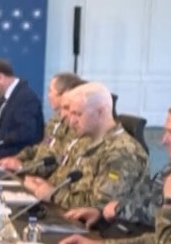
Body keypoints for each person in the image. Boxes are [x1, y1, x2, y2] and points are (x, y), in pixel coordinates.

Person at [66, 100, 171, 231]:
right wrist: (100, 215)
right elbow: (143, 200)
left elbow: (163, 220)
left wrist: (119, 210)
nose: (164, 140)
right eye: (166, 132)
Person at [21, 82, 145, 212]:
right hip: (64, 213)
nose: (71, 121)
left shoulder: (122, 152)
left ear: (101, 112)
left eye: (78, 114)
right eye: (71, 113)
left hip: (85, 224)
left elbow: (101, 206)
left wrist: (53, 194)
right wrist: (45, 186)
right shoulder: (88, 141)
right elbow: (73, 185)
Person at [0, 72, 82, 174]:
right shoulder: (55, 119)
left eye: (50, 91)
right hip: (33, 172)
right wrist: (17, 158)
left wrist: (22, 167)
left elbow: (58, 160)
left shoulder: (75, 125)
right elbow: (41, 147)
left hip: (43, 176)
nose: (48, 96)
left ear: (64, 94)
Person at [0, 59, 44, 159]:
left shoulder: (25, 98)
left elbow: (26, 134)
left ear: (0, 78)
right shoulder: (7, 96)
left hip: (13, 158)